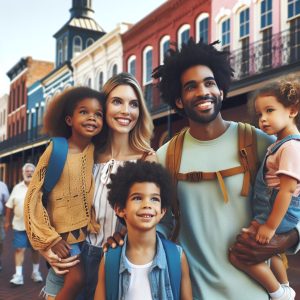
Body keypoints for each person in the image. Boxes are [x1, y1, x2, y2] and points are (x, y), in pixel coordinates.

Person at [152, 38, 300, 299]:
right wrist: (128, 236)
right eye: (191, 87)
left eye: (209, 83)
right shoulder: (165, 158)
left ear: (221, 90)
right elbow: (160, 226)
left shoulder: (261, 143)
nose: (202, 92)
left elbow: (295, 200)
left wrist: (286, 240)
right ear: (178, 101)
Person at [37, 73, 156, 300]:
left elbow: (155, 220)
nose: (126, 111)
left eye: (133, 104)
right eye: (117, 102)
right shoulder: (85, 154)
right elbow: (48, 203)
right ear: (103, 107)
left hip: (118, 263)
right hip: (73, 259)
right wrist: (46, 245)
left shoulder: (146, 160)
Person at [24, 87, 106, 300]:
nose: (92, 118)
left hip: (83, 234)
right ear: (69, 120)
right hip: (61, 234)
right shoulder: (57, 149)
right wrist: (50, 239)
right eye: (84, 112)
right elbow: (34, 195)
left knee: (67, 278)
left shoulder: (93, 150)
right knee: (76, 278)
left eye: (98, 114)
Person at [229, 79, 300, 300]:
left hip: (280, 213)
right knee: (265, 248)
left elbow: (287, 191)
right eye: (260, 114)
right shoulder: (278, 144)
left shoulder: (290, 147)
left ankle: (278, 292)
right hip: (270, 211)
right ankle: (285, 285)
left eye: (270, 110)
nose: (263, 119)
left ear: (293, 110)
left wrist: (269, 226)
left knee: (237, 254)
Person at [94, 160, 192, 300]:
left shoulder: (176, 257)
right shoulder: (109, 260)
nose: (147, 204)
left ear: (163, 210)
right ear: (120, 209)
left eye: (154, 199)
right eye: (138, 198)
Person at [4, 163, 43, 286]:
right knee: (19, 249)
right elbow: (9, 206)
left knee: (35, 250)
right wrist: (6, 221)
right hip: (19, 226)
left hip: (36, 226)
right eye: (27, 171)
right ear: (23, 173)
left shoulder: (39, 187)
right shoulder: (16, 188)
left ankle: (35, 272)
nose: (29, 173)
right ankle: (18, 275)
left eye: (32, 171)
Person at [0, 180, 9, 271]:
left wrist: (6, 220)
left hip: (0, 217)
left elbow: (7, 203)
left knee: (0, 240)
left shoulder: (2, 185)